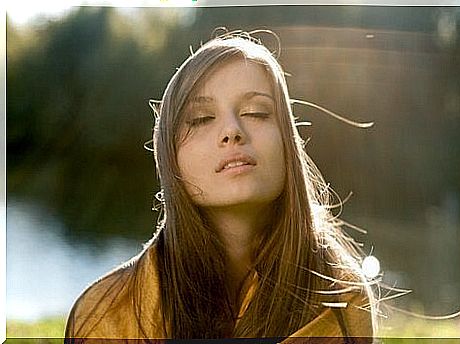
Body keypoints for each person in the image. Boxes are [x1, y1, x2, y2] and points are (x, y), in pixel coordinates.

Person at [65, 29, 377, 341]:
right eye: (201, 118)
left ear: (288, 143)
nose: (232, 130)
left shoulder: (341, 298)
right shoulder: (105, 314)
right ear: (169, 156)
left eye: (256, 112)